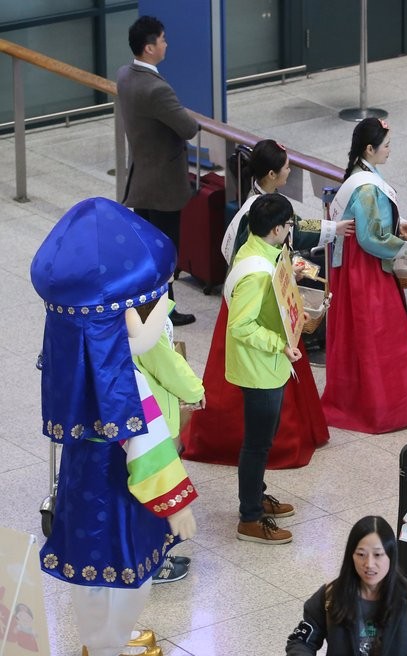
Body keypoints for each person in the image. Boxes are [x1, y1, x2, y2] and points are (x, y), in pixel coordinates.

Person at [30, 197, 198, 656]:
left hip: (80, 483)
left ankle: (95, 643)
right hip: (125, 492)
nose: (161, 309)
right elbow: (149, 448)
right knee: (130, 572)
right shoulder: (125, 382)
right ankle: (110, 645)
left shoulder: (71, 366)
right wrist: (176, 507)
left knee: (88, 569)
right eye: (152, 305)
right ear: (123, 318)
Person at [181, 141, 338, 470]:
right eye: (285, 168)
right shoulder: (258, 212)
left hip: (267, 299)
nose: (289, 172)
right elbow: (250, 265)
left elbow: (289, 233)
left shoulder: (263, 206)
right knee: (252, 389)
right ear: (271, 174)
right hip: (255, 306)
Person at [321, 118, 407, 433]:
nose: (389, 151)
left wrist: (398, 225)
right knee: (381, 333)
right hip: (367, 268)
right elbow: (371, 237)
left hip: (354, 266)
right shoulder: (367, 187)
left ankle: (364, 400)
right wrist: (404, 248)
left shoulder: (361, 175)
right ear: (369, 148)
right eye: (386, 146)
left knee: (359, 335)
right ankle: (388, 406)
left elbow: (369, 223)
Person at [225, 194, 305, 545]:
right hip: (259, 368)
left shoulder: (257, 249)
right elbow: (240, 327)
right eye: (289, 225)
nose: (291, 230)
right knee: (257, 444)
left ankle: (257, 496)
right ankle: (250, 517)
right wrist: (279, 344)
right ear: (276, 229)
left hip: (269, 366)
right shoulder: (256, 273)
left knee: (264, 439)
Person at [116, 15, 199, 327]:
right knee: (165, 251)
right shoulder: (156, 89)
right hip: (164, 184)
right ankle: (164, 309)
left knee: (147, 248)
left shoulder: (125, 75)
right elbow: (189, 127)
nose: (166, 44)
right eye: (162, 39)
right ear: (149, 47)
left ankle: (150, 304)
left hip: (142, 177)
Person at [285, 516, 407, 656]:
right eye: (361, 554)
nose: (369, 564)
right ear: (351, 556)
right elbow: (301, 642)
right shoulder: (329, 596)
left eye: (378, 555)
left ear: (391, 556)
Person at [131, 299, 205, 585]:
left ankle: (154, 557)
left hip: (145, 411)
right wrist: (195, 390)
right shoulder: (144, 324)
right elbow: (168, 365)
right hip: (155, 416)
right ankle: (154, 563)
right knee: (156, 491)